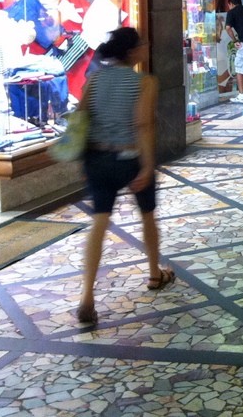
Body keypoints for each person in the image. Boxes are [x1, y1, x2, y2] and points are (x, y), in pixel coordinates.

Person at [76, 27, 173, 326]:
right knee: (147, 215)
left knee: (99, 222)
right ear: (132, 52)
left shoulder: (93, 79)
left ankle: (87, 297)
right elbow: (143, 125)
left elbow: (81, 117)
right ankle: (155, 273)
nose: (146, 47)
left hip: (96, 157)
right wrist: (147, 166)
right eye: (142, 43)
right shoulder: (144, 82)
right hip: (129, 157)